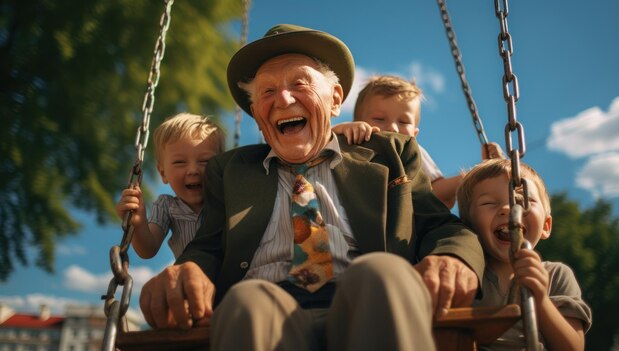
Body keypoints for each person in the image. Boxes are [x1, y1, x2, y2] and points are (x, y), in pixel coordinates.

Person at [139, 24, 485, 351]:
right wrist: (186, 270)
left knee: (381, 274)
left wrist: (454, 256)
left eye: (300, 84)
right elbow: (208, 246)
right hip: (268, 306)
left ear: (335, 99)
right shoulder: (230, 171)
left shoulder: (390, 153)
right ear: (258, 114)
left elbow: (439, 224)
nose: (283, 98)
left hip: (367, 300)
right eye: (268, 91)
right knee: (247, 302)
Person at [456, 159, 592, 351]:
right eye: (488, 203)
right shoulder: (464, 272)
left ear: (546, 226)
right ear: (468, 224)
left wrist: (541, 300)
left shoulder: (556, 274)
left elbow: (573, 347)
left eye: (522, 200)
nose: (508, 209)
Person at [332, 75, 504, 209]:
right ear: (358, 121)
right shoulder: (352, 142)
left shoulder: (413, 152)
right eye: (379, 118)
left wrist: (480, 173)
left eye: (404, 122)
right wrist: (340, 130)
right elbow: (318, 147)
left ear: (414, 133)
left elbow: (436, 192)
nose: (392, 128)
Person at [116, 113, 225, 259]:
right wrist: (138, 222)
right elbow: (148, 249)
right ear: (163, 173)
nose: (193, 170)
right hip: (188, 278)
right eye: (180, 162)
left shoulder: (227, 198)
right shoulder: (166, 206)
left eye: (205, 161)